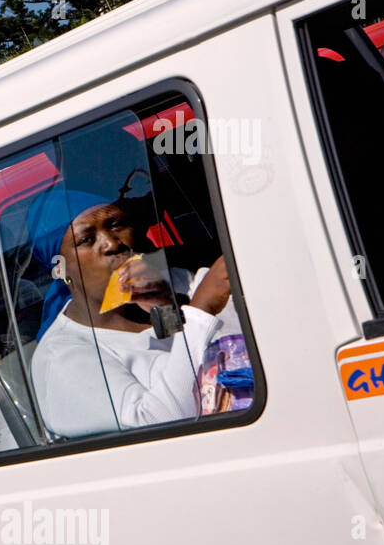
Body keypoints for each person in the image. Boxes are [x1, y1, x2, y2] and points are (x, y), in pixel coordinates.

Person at [25, 187, 235, 438]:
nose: (113, 243)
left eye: (115, 224)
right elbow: (162, 422)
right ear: (60, 269)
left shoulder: (174, 285)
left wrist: (168, 310)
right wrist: (200, 311)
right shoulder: (61, 357)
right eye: (86, 240)